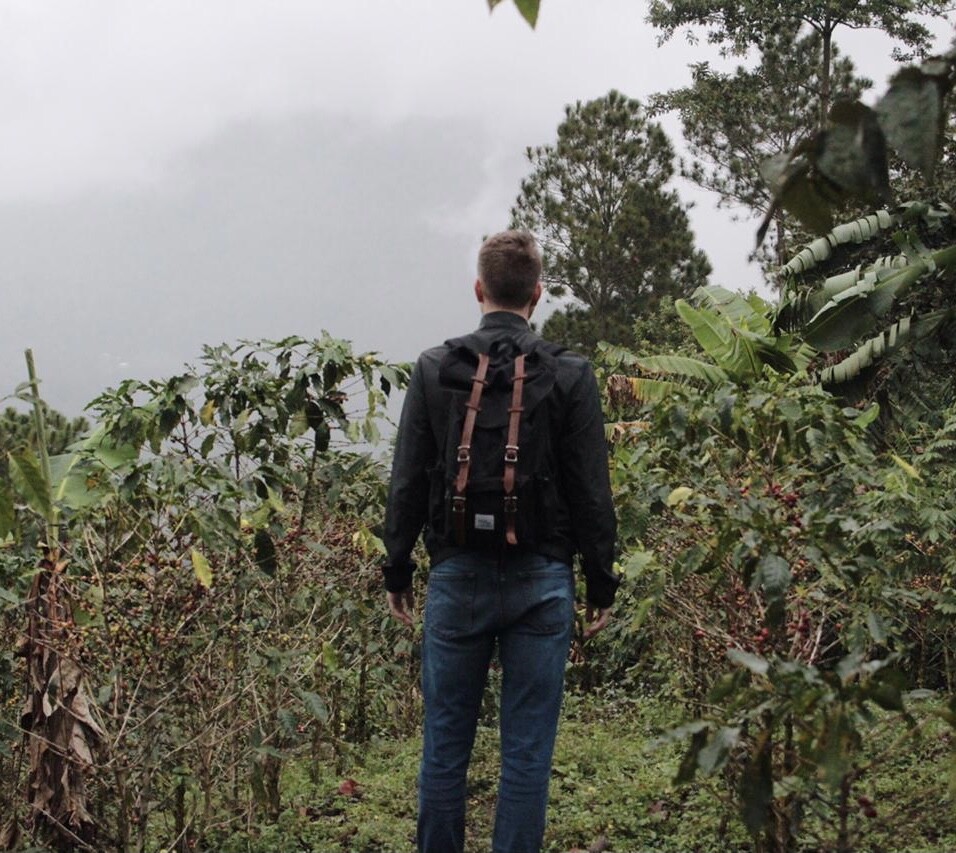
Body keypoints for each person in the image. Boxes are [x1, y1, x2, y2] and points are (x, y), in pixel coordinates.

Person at [382, 229, 618, 853]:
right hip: (542, 583)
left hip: (457, 577)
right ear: (537, 295)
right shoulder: (570, 372)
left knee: (445, 746)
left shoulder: (436, 368)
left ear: (479, 289)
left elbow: (407, 479)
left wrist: (398, 568)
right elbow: (591, 490)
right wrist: (602, 582)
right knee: (526, 754)